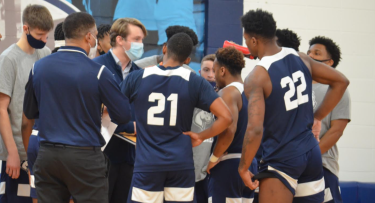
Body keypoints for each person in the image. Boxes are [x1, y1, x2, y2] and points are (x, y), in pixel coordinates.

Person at [237, 9, 349, 203]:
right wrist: (318, 117)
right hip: (310, 153)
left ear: (253, 40)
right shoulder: (301, 58)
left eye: (246, 40)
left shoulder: (257, 76)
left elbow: (254, 129)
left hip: (282, 157)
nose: (246, 44)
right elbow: (341, 81)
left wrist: (243, 167)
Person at [23, 12, 132, 203]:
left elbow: (30, 113)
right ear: (89, 37)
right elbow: (123, 115)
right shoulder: (98, 71)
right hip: (84, 157)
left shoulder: (38, 67)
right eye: (96, 35)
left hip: (47, 154)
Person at [121, 33, 232, 203]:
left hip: (148, 163)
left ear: (164, 48)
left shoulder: (138, 77)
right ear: (187, 60)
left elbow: (111, 109)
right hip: (181, 165)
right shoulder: (195, 81)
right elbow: (226, 117)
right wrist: (201, 136)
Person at [0, 5, 53, 203]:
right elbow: (1, 109)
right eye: (39, 35)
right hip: (16, 153)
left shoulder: (46, 54)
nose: (43, 40)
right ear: (25, 29)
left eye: (46, 36)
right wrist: (12, 152)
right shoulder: (8, 59)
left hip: (40, 150)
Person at [93, 17, 147, 203]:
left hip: (130, 156)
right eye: (137, 39)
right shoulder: (96, 66)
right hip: (100, 154)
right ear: (119, 40)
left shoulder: (140, 73)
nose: (141, 44)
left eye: (142, 40)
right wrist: (129, 125)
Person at [207, 46, 258, 203]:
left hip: (229, 164)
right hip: (250, 163)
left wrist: (213, 159)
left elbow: (229, 130)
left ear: (222, 71)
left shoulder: (228, 92)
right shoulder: (253, 92)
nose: (214, 76)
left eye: (214, 71)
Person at [308, 36, 351, 203]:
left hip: (322, 164)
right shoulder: (298, 86)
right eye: (309, 52)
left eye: (316, 53)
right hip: (295, 165)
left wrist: (312, 155)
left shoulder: (337, 89)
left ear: (329, 62)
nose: (310, 56)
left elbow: (337, 130)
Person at [192, 54, 216, 203]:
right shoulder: (191, 96)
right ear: (199, 72)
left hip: (212, 169)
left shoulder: (227, 97)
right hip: (191, 169)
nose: (210, 75)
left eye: (214, 70)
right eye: (206, 70)